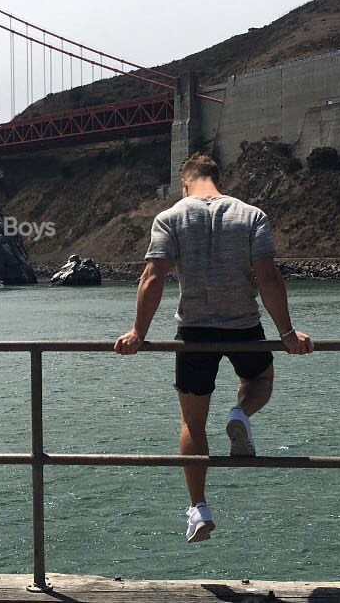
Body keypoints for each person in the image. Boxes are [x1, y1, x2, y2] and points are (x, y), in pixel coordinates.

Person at [112, 152, 312, 543]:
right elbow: (268, 277)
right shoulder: (251, 215)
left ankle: (199, 508)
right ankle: (240, 412)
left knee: (192, 423)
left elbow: (152, 277)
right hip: (243, 327)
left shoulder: (170, 217)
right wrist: (287, 332)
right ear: (218, 179)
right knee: (260, 380)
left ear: (185, 183)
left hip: (194, 332)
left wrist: (138, 332)